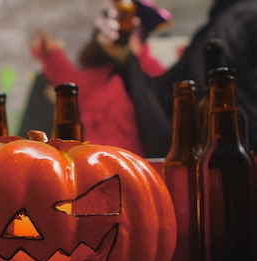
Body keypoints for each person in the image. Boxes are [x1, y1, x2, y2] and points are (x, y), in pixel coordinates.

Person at [95, 0, 257, 156]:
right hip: (212, 174)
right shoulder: (212, 29)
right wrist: (125, 56)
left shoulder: (246, 18)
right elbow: (169, 101)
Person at [28, 0, 170, 157]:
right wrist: (51, 55)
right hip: (95, 164)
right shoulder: (98, 73)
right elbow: (72, 89)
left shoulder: (150, 71)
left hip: (134, 166)